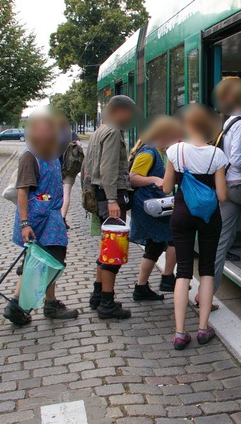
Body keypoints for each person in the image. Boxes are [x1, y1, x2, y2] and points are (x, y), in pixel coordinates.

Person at [3, 108, 79, 326]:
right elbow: (22, 191)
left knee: (43, 259)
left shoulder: (51, 154)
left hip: (51, 217)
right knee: (48, 260)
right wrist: (25, 224)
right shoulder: (30, 156)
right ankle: (37, 304)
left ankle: (21, 304)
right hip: (37, 220)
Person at [162, 105, 228, 350]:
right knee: (207, 269)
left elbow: (167, 188)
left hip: (180, 214)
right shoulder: (216, 155)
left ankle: (180, 333)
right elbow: (221, 195)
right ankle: (202, 329)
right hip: (209, 217)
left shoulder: (174, 151)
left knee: (183, 271)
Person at [85, 95, 139, 320]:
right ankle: (107, 303)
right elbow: (107, 169)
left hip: (99, 194)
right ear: (120, 111)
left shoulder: (100, 130)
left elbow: (88, 167)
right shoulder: (114, 132)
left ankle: (98, 295)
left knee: (106, 246)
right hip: (111, 195)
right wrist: (111, 200)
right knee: (113, 250)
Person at [128, 115, 182, 300]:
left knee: (156, 243)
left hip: (152, 204)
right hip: (147, 205)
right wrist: (154, 179)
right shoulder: (149, 152)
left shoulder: (157, 151)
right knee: (173, 237)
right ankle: (167, 278)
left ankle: (141, 287)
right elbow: (132, 177)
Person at [212, 78, 241, 298]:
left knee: (222, 239)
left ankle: (206, 292)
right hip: (238, 184)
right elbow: (237, 159)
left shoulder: (229, 121)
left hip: (227, 185)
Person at [57, 115, 82, 229]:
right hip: (69, 168)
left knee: (55, 194)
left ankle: (55, 219)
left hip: (56, 168)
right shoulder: (71, 134)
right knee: (66, 193)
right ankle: (62, 218)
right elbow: (79, 146)